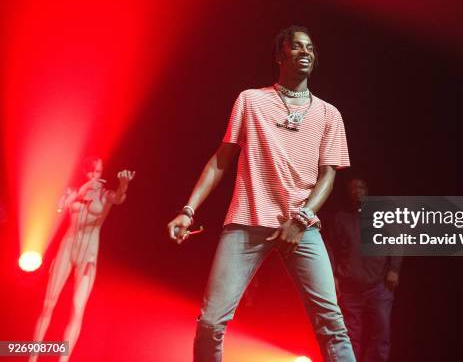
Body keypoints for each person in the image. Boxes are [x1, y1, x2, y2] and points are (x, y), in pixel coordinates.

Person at [167, 25, 356, 361]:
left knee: (332, 322)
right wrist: (188, 209)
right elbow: (220, 161)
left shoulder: (329, 114)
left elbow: (328, 176)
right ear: (278, 55)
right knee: (211, 322)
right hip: (247, 221)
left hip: (301, 227)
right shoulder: (251, 100)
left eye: (310, 48)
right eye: (296, 47)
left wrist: (300, 219)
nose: (305, 53)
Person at [30, 157, 135, 362]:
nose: (96, 176)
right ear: (85, 173)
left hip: (88, 254)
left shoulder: (105, 195)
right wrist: (82, 190)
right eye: (92, 172)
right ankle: (33, 357)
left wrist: (124, 184)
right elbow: (60, 207)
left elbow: (119, 198)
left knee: (78, 308)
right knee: (48, 304)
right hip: (68, 248)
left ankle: (63, 359)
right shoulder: (74, 192)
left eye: (99, 172)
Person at [326, 176, 402, 362]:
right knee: (351, 336)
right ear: (347, 193)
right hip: (350, 288)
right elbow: (329, 248)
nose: (357, 191)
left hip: (379, 286)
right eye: (352, 188)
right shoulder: (340, 218)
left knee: (381, 334)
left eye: (361, 187)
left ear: (367, 190)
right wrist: (333, 275)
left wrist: (394, 269)